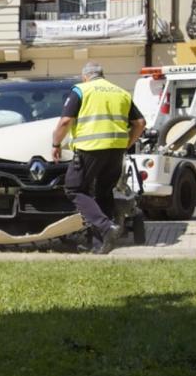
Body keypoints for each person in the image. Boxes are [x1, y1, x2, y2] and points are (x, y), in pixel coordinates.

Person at [52, 61, 146, 254]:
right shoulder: (120, 92)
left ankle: (106, 227)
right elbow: (140, 123)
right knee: (104, 193)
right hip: (116, 151)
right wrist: (127, 143)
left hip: (90, 149)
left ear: (85, 76)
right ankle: (101, 244)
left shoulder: (82, 90)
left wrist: (56, 144)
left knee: (74, 188)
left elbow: (66, 121)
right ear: (102, 75)